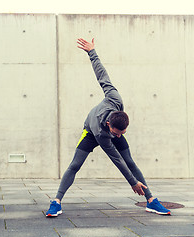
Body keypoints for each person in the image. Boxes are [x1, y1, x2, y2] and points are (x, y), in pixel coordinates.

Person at [45, 38, 171, 217]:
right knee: (75, 165)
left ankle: (151, 201)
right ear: (109, 124)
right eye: (117, 133)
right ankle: (56, 202)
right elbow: (116, 160)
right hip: (90, 132)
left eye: (123, 133)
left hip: (107, 128)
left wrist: (92, 52)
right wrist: (132, 182)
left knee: (131, 162)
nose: (119, 136)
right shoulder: (100, 132)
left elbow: (102, 75)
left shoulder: (115, 98)